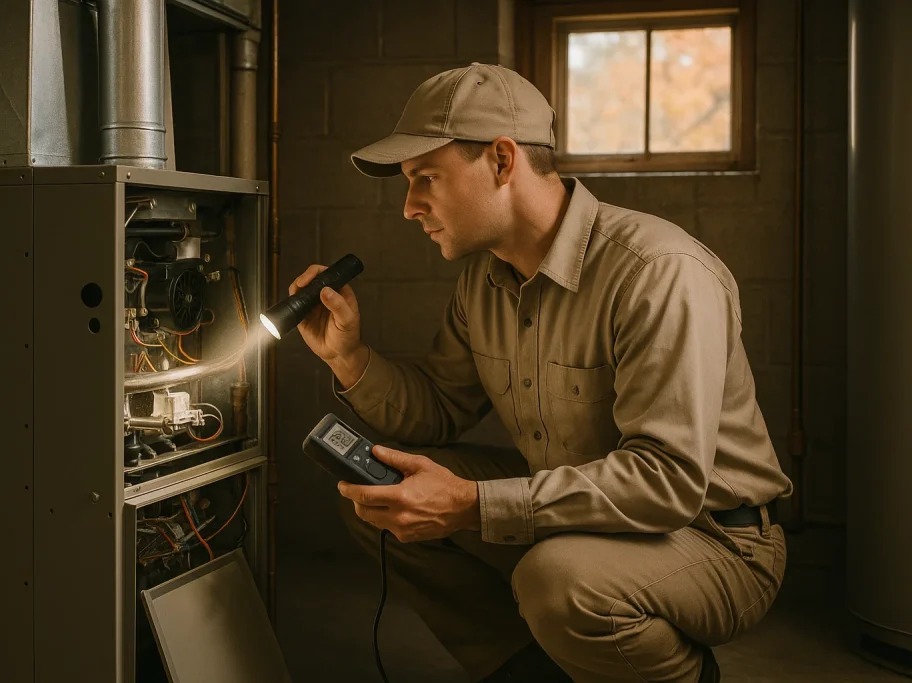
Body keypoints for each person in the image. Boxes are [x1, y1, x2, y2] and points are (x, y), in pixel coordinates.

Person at [288, 63, 792, 683]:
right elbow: (438, 409)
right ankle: (531, 671)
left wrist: (474, 504)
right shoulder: (484, 280)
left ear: (502, 161)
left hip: (712, 539)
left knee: (557, 581)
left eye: (425, 179)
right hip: (579, 513)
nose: (409, 208)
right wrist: (347, 355)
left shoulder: (658, 272)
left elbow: (667, 481)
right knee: (382, 489)